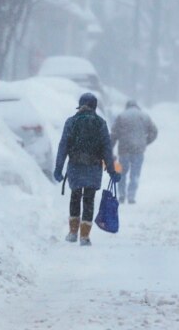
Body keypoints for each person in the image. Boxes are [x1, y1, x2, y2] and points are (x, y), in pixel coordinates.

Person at [54, 92, 119, 246]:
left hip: (75, 166)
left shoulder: (71, 122)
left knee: (75, 197)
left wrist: (59, 168)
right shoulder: (100, 123)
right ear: (94, 106)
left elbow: (63, 146)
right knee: (89, 200)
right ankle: (84, 236)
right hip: (93, 167)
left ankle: (72, 232)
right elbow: (106, 149)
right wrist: (111, 170)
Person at [110, 100, 157, 204]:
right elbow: (154, 131)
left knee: (122, 173)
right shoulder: (144, 116)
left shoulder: (121, 116)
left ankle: (122, 195)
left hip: (124, 149)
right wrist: (145, 142)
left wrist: (109, 149)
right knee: (135, 174)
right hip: (138, 150)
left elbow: (114, 134)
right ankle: (131, 196)